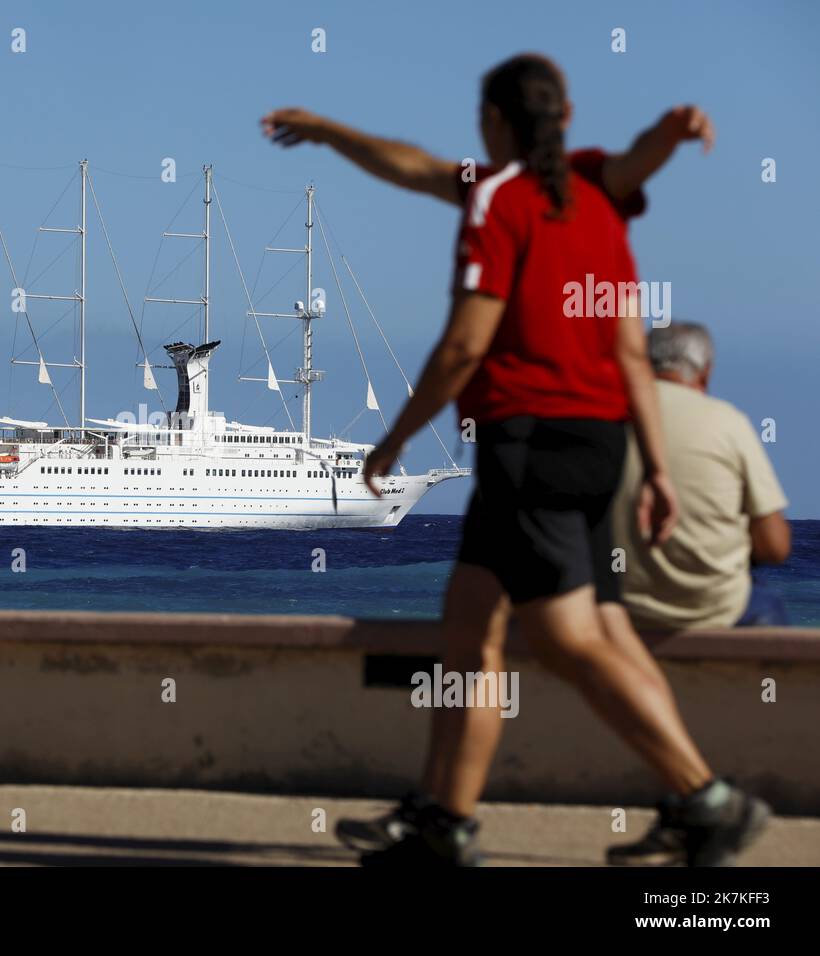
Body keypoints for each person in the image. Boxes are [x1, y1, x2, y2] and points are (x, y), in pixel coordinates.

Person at [264, 54, 769, 866]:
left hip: (531, 442)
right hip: (594, 443)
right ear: (565, 117)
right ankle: (442, 819)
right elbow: (632, 352)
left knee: (569, 641)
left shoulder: (499, 198)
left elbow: (466, 341)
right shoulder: (597, 196)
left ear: (494, 121)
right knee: (474, 626)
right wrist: (660, 469)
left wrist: (394, 440)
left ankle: (707, 799)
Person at [613, 322, 790, 629]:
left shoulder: (609, 420)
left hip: (623, 609)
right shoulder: (729, 423)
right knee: (767, 606)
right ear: (705, 373)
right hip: (714, 610)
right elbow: (775, 547)